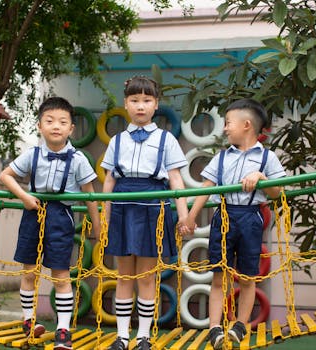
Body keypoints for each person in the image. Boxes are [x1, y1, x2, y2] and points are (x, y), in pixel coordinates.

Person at [0, 96, 101, 350]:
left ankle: (63, 330)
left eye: (63, 121)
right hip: (32, 213)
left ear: (71, 129)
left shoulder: (78, 159)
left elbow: (90, 193)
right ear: (39, 126)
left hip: (60, 217)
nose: (56, 126)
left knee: (61, 274)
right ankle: (28, 320)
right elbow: (5, 175)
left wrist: (99, 226)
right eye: (50, 120)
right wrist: (24, 197)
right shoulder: (32, 154)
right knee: (29, 271)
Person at [186, 98, 286, 348]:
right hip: (224, 216)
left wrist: (261, 177)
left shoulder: (268, 158)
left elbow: (277, 192)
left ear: (247, 125)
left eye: (229, 123)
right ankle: (215, 328)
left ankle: (240, 325)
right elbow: (206, 188)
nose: (225, 128)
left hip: (251, 216)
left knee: (247, 276)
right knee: (219, 275)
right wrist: (190, 216)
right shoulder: (221, 158)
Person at [101, 76, 190, 350]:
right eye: (135, 100)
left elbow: (175, 179)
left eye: (147, 100)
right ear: (126, 104)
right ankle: (122, 336)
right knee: (124, 273)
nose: (141, 106)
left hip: (153, 204)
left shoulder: (167, 139)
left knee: (147, 275)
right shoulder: (116, 141)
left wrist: (184, 215)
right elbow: (109, 180)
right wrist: (104, 218)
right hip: (123, 206)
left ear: (156, 105)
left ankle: (143, 336)